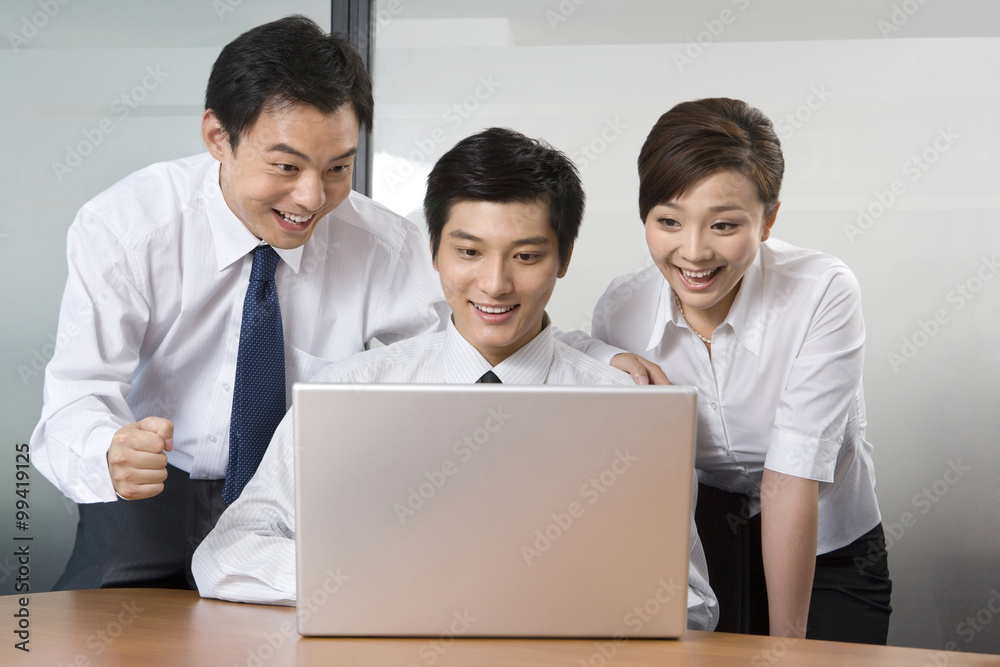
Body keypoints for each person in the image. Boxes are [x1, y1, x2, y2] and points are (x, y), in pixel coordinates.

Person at [30, 16, 656, 592]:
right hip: (150, 494)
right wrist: (108, 452)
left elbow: (482, 324)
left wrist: (598, 356)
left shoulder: (381, 243)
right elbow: (75, 396)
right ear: (218, 136)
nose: (311, 197)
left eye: (338, 168)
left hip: (294, 505)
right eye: (286, 165)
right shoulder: (128, 227)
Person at [192, 127, 719, 631]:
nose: (494, 284)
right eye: (468, 252)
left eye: (527, 256)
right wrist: (393, 580)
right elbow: (226, 555)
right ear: (434, 252)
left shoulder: (628, 412)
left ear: (564, 258)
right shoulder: (350, 394)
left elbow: (690, 603)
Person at [590, 98, 890, 643]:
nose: (694, 251)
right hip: (704, 548)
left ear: (769, 219)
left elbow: (791, 474)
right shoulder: (619, 310)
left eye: (724, 224)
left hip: (829, 542)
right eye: (668, 222)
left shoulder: (821, 292)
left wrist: (786, 650)